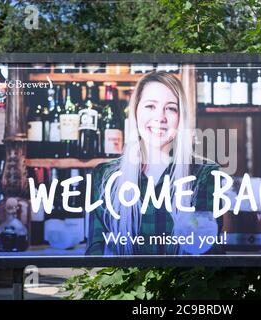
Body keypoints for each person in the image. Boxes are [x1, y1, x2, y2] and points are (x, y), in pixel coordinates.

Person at [86, 71, 222, 256]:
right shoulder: (105, 176)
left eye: (171, 108)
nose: (160, 117)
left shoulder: (205, 175)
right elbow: (96, 251)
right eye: (150, 106)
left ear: (181, 117)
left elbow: (209, 253)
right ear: (135, 112)